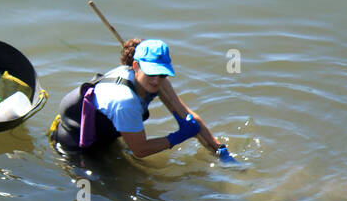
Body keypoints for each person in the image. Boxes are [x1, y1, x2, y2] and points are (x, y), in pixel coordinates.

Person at [49, 38, 228, 160]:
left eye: (162, 73)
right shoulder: (125, 101)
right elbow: (140, 150)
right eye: (150, 72)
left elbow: (186, 115)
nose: (156, 79)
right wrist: (178, 137)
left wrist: (219, 150)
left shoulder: (158, 81)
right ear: (135, 66)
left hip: (105, 133)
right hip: (76, 146)